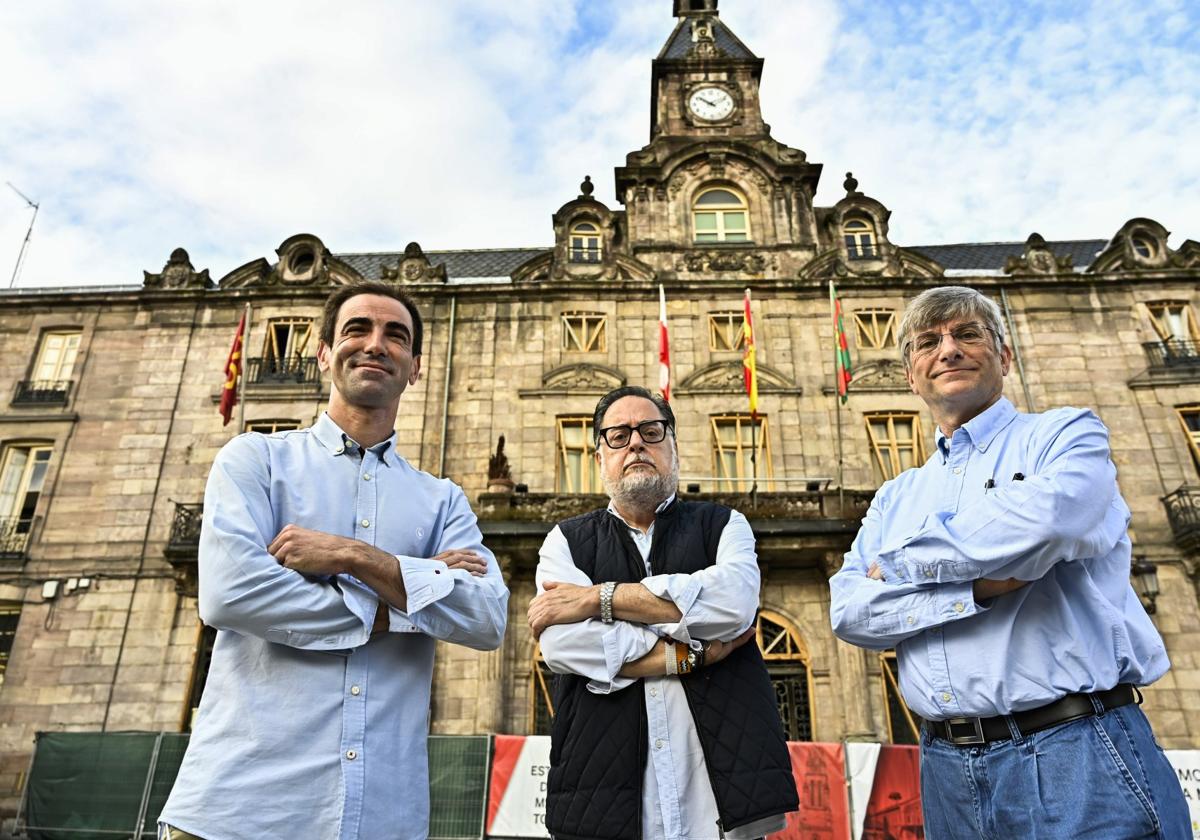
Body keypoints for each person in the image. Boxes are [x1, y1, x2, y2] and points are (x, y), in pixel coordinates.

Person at [830, 285, 1190, 839]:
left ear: (1005, 355)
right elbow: (850, 613)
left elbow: (1048, 522)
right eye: (928, 342)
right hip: (947, 768)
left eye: (967, 334)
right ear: (910, 374)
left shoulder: (1064, 435)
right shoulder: (895, 495)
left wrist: (902, 565)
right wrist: (974, 589)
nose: (947, 350)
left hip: (1075, 748)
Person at [159, 282, 509, 840]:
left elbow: (488, 620)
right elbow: (230, 594)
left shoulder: (442, 500)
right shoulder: (256, 459)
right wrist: (414, 591)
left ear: (415, 367)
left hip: (382, 817)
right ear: (324, 352)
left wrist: (353, 556)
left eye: (396, 335)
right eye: (357, 330)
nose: (375, 344)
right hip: (239, 811)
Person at [528, 385, 798, 840]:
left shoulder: (724, 524)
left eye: (651, 432)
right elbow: (558, 644)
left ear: (673, 447)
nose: (636, 443)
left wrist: (599, 600)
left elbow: (734, 605)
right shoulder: (565, 540)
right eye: (618, 435)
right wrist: (687, 655)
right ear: (599, 459)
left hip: (721, 801)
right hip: (601, 800)